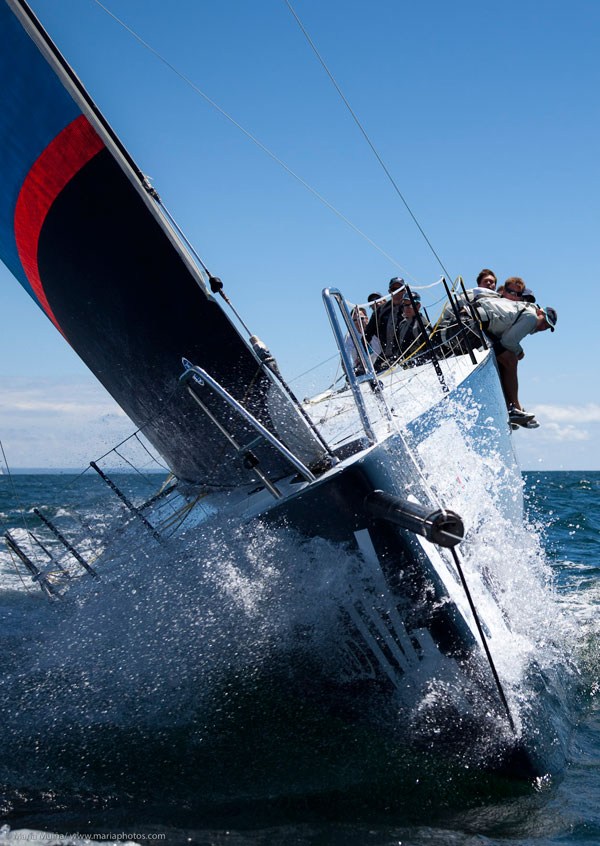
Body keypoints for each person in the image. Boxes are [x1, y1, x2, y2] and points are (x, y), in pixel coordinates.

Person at [474, 297, 557, 426]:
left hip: (479, 321)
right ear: (540, 312)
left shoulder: (525, 310)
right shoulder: (531, 318)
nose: (544, 327)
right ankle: (515, 409)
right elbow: (508, 342)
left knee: (506, 359)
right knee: (511, 360)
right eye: (545, 322)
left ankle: (512, 408)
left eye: (547, 327)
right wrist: (519, 352)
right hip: (476, 324)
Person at [365, 277, 406, 368]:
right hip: (387, 356)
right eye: (394, 289)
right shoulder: (381, 310)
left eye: (400, 289)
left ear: (404, 291)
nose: (397, 292)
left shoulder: (410, 307)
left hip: (408, 354)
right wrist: (362, 358)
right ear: (389, 291)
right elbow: (367, 334)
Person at [394, 291, 431, 364]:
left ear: (418, 305)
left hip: (421, 365)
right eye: (405, 305)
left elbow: (430, 349)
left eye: (411, 305)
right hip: (405, 365)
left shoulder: (422, 324)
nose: (407, 308)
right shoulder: (402, 324)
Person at [344, 307, 382, 374]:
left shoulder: (377, 330)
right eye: (355, 320)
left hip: (381, 365)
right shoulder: (349, 337)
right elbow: (344, 359)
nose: (359, 322)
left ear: (367, 319)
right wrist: (349, 373)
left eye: (361, 318)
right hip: (362, 370)